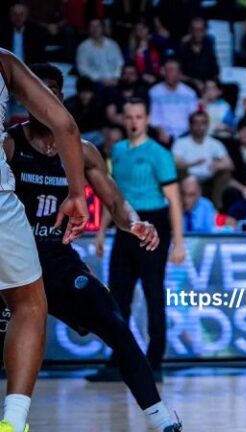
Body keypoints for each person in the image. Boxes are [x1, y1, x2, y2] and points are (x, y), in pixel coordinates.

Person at [3, 63, 183, 432]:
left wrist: (135, 223)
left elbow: (117, 204)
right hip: (13, 258)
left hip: (56, 259)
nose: (47, 97)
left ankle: (161, 417)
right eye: (41, 90)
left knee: (114, 318)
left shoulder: (83, 152)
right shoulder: (9, 143)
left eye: (53, 90)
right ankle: (13, 420)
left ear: (60, 98)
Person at [0, 48, 89, 432]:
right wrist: (77, 194)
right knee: (30, 307)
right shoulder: (3, 61)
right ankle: (14, 422)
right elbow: (65, 126)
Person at [94, 97, 186, 382]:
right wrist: (101, 230)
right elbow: (114, 196)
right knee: (117, 297)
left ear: (146, 119)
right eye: (129, 116)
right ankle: (116, 360)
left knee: (153, 293)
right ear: (123, 119)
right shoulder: (117, 151)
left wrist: (179, 242)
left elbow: (173, 200)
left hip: (154, 222)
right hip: (126, 225)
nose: (133, 122)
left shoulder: (159, 153)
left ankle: (154, 360)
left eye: (138, 116)